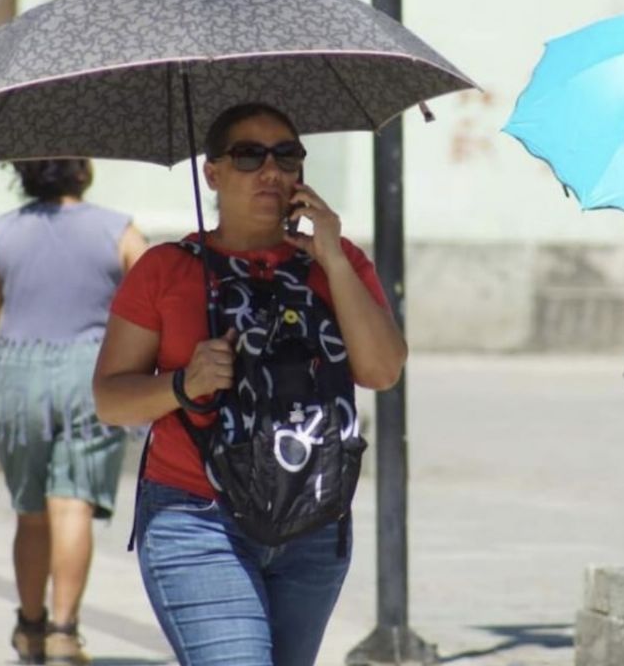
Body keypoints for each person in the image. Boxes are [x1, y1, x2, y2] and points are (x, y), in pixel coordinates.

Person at [92, 103, 406, 666]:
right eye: (248, 155)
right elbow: (110, 398)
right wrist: (182, 385)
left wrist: (333, 256)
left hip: (314, 518)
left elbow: (382, 370)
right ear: (211, 173)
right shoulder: (167, 268)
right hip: (195, 517)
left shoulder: (337, 262)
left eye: (286, 155)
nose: (271, 171)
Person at [0, 158, 146, 665]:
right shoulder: (120, 230)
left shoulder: (0, 234)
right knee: (73, 504)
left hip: (16, 375)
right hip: (91, 374)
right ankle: (65, 632)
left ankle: (29, 627)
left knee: (30, 512)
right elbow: (153, 291)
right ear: (81, 172)